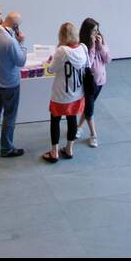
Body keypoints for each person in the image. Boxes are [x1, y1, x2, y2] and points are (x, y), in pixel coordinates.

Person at [42, 22, 89, 162]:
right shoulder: (83, 48)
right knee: (72, 120)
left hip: (61, 93)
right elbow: (87, 66)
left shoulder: (61, 51)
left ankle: (54, 152)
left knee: (55, 121)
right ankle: (69, 149)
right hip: (77, 93)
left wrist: (48, 62)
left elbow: (51, 70)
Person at [0, 10, 27, 157]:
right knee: (9, 115)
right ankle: (7, 148)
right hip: (9, 83)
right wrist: (22, 43)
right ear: (16, 26)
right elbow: (21, 61)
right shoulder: (11, 41)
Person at [78, 17, 110, 148]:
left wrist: (101, 46)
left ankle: (77, 127)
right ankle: (93, 135)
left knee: (87, 108)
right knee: (89, 109)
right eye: (93, 31)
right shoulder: (83, 46)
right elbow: (88, 64)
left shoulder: (101, 41)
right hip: (89, 83)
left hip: (100, 81)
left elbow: (108, 59)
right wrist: (91, 48)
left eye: (97, 31)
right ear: (87, 33)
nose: (96, 34)